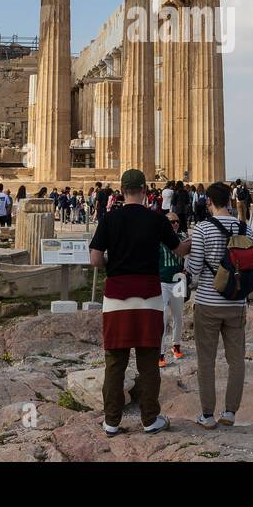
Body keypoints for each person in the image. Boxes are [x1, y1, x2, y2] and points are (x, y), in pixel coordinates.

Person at [89, 169, 189, 436]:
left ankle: (111, 422)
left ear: (121, 191)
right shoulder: (156, 219)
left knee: (115, 363)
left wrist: (114, 263)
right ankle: (149, 420)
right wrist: (199, 240)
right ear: (145, 191)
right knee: (148, 363)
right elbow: (179, 250)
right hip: (149, 296)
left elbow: (96, 260)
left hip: (117, 296)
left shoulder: (109, 218)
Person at [184, 182, 248, 429]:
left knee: (206, 361)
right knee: (236, 360)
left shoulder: (202, 229)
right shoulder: (245, 228)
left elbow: (195, 269)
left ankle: (208, 416)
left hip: (208, 303)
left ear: (209, 202)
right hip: (237, 301)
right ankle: (230, 412)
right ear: (230, 201)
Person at [158, 212, 187, 368]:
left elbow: (191, 255)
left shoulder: (183, 239)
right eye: (171, 222)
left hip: (177, 282)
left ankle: (176, 345)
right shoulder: (157, 239)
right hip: (162, 283)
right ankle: (160, 353)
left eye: (177, 221)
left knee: (178, 316)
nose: (175, 224)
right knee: (162, 318)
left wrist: (187, 271)